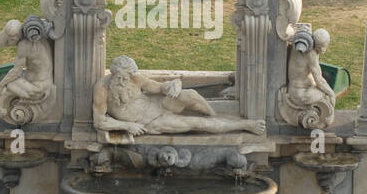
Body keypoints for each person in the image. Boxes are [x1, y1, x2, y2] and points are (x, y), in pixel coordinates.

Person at [93, 55, 265, 137]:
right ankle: (245, 125)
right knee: (197, 123)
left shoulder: (135, 78)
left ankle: (216, 118)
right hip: (150, 123)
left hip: (158, 106)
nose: (130, 79)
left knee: (190, 95)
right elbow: (99, 121)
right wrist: (127, 126)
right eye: (125, 77)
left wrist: (175, 83)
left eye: (131, 76)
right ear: (115, 75)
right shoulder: (103, 89)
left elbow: (160, 87)